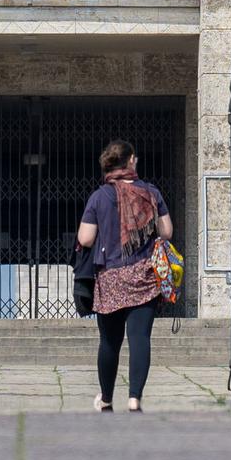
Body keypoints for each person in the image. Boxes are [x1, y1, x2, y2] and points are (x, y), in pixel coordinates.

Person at [75, 141, 171, 412]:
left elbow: (85, 237)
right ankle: (134, 398)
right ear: (129, 161)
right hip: (144, 276)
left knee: (109, 342)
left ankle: (106, 399)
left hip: (111, 279)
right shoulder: (151, 192)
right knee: (140, 338)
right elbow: (167, 232)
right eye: (134, 159)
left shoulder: (99, 197)